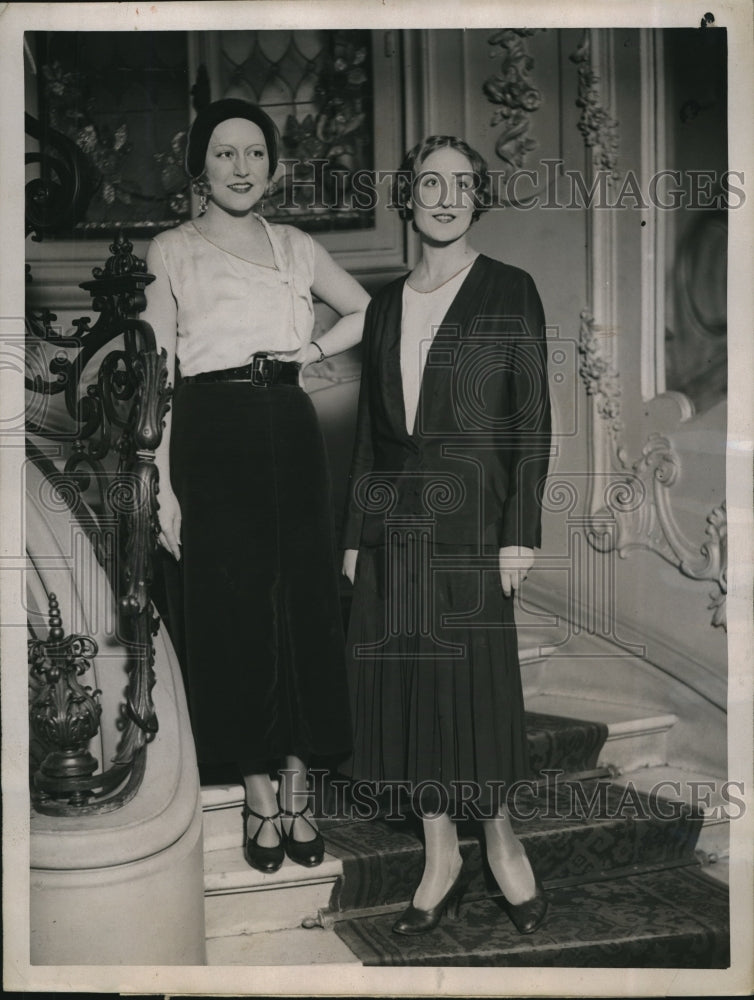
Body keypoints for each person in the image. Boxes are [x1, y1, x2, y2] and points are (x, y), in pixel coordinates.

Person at [143, 99, 369, 874]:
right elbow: (159, 376)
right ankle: (257, 793)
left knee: (302, 606)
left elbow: (363, 310)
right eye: (223, 153)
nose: (241, 167)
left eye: (254, 154)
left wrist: (307, 349)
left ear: (273, 167)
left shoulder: (297, 246)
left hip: (288, 428)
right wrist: (161, 481)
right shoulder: (170, 250)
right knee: (233, 613)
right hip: (209, 437)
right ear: (199, 166)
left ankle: (300, 786)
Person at [341, 135, 552, 935]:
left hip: (473, 517)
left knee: (478, 690)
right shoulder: (387, 302)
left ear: (478, 198)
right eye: (429, 182)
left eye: (460, 184)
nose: (444, 196)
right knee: (409, 688)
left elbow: (530, 419)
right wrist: (356, 535)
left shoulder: (509, 289)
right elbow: (370, 430)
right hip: (393, 520)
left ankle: (499, 841)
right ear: (408, 196)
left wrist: (519, 530)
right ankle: (441, 855)